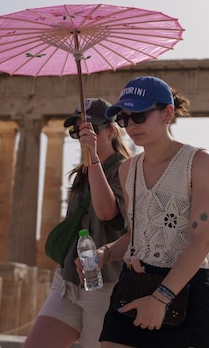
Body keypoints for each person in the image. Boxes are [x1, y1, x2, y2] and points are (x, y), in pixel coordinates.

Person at [94, 76, 209, 347]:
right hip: (134, 283)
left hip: (185, 288)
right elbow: (136, 234)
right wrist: (105, 253)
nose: (131, 126)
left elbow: (203, 240)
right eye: (124, 118)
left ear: (168, 113)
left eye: (139, 115)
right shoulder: (127, 169)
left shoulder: (198, 161)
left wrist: (161, 298)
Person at [23, 98, 131, 348]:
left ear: (110, 131)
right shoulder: (80, 174)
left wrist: (93, 156)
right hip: (68, 281)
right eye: (77, 131)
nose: (83, 136)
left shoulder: (124, 170)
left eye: (90, 129)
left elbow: (107, 214)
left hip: (105, 286)